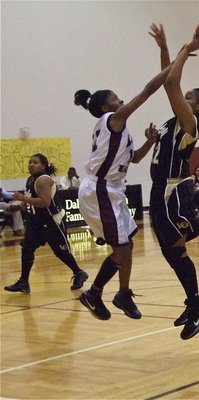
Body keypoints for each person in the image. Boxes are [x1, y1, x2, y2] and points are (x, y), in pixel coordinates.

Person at [74, 46, 173, 321]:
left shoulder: (118, 131)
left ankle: (123, 294)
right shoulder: (112, 120)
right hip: (100, 189)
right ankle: (94, 293)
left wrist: (149, 143)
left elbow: (136, 160)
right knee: (122, 249)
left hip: (112, 189)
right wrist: (174, 64)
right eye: (117, 98)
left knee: (127, 243)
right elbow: (148, 89)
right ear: (107, 107)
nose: (122, 100)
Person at [149, 24, 199, 340]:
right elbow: (169, 78)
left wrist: (186, 49)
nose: (183, 94)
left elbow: (171, 83)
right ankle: (194, 303)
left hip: (173, 190)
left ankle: (198, 304)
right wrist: (166, 49)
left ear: (198, 106)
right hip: (159, 190)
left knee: (175, 251)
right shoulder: (177, 119)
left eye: (189, 96)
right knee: (168, 251)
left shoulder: (189, 120)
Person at [3, 154, 88, 294]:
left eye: (35, 162)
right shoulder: (31, 179)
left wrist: (23, 198)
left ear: (43, 165)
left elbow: (45, 202)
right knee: (27, 248)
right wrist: (24, 205)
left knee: (61, 252)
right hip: (36, 221)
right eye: (29, 162)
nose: (31, 164)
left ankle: (79, 273)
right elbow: (33, 201)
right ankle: (24, 282)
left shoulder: (43, 180)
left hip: (51, 221)